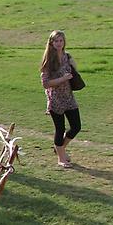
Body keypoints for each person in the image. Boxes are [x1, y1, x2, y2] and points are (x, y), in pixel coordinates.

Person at [40, 30, 82, 169]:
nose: (59, 43)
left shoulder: (67, 56)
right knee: (60, 129)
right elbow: (45, 83)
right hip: (55, 99)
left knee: (76, 126)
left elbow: (75, 72)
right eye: (56, 41)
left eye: (61, 41)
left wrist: (73, 66)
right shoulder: (48, 61)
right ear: (51, 43)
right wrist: (62, 79)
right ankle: (61, 158)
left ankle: (60, 147)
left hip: (69, 97)